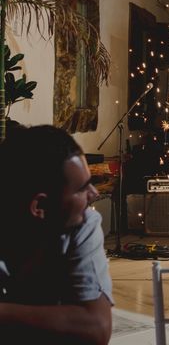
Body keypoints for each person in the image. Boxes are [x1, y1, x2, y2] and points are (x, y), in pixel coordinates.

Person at [0, 125, 113, 344]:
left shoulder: (83, 223)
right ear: (40, 206)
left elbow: (97, 327)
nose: (94, 194)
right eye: (82, 188)